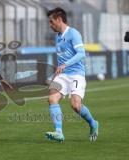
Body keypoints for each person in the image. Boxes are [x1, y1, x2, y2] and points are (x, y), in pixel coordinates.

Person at [45, 7, 98, 142]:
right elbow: (62, 58)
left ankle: (93, 123)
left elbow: (81, 54)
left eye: (51, 22)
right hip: (63, 75)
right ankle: (59, 132)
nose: (50, 25)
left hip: (76, 75)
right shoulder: (58, 37)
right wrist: (57, 73)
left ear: (59, 19)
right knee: (52, 98)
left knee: (75, 105)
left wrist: (64, 65)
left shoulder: (73, 33)